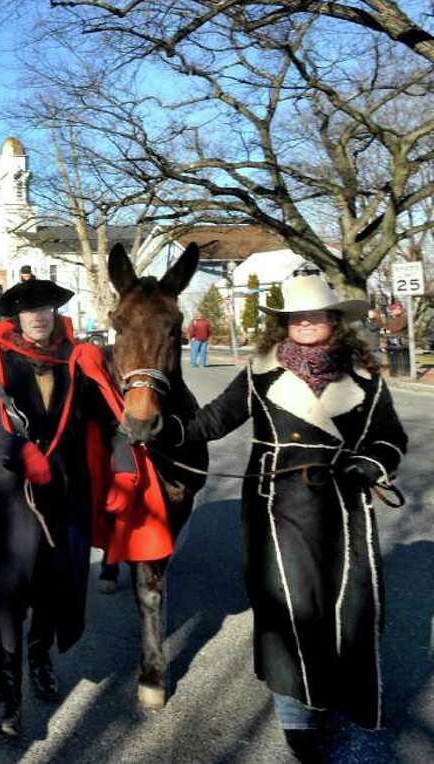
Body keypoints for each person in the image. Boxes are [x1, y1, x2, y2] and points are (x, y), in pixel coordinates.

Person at [156, 275, 407, 761]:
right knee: (290, 607)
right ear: (285, 324)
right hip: (277, 505)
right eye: (297, 317)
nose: (306, 322)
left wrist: (371, 461)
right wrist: (164, 430)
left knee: (348, 605)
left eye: (316, 314)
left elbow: (391, 437)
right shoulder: (261, 371)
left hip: (344, 504)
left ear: (335, 320)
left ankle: (341, 695)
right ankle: (296, 713)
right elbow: (212, 421)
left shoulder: (365, 377)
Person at [0, 279, 150, 737]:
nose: (38, 316)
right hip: (11, 497)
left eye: (45, 308)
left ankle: (40, 657)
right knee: (9, 594)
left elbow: (113, 420)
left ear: (55, 312)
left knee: (55, 586)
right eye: (28, 309)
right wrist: (19, 453)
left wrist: (124, 469)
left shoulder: (81, 360)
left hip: (68, 494)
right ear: (15, 316)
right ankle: (7, 693)